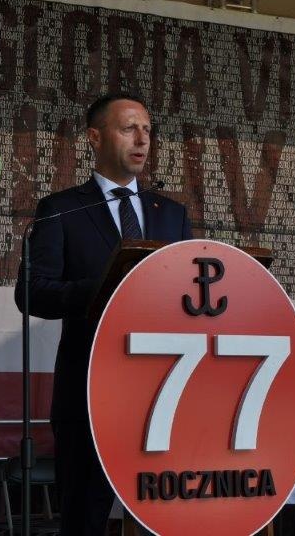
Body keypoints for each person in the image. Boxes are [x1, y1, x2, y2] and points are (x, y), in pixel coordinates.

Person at [15, 92, 192, 536]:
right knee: (85, 518)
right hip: (90, 393)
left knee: (168, 516)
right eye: (129, 128)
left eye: (147, 130)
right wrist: (107, 286)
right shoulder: (62, 209)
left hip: (163, 393)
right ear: (94, 137)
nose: (142, 139)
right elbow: (32, 293)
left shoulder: (172, 215)